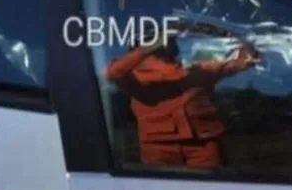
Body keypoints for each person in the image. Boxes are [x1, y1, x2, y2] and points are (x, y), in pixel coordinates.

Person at [104, 30, 259, 168]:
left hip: (203, 142)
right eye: (157, 39)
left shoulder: (199, 69)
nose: (166, 42)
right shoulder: (132, 76)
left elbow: (246, 60)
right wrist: (147, 49)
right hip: (159, 146)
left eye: (167, 39)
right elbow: (112, 72)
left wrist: (234, 36)